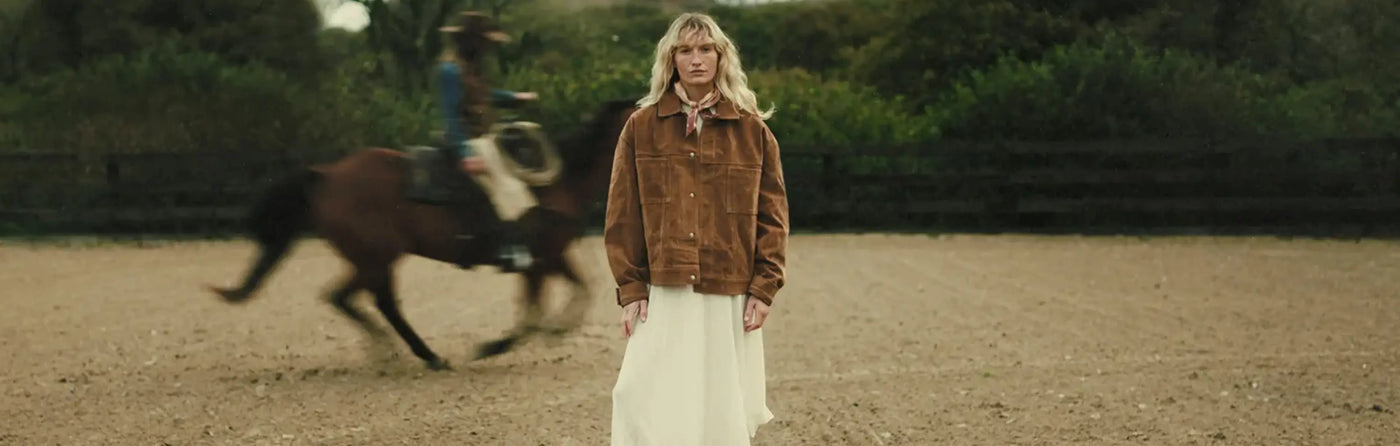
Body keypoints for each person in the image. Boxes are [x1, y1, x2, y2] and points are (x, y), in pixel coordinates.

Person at [604, 11, 789, 446]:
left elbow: (773, 215)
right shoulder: (641, 127)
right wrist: (630, 289)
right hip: (664, 288)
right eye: (685, 50)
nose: (696, 59)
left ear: (721, 57)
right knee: (636, 394)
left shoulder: (752, 130)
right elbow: (622, 213)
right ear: (671, 60)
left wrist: (765, 287)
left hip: (728, 289)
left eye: (706, 49)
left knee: (717, 402)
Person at [436, 11, 536, 272]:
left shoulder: (472, 67)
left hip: (485, 134)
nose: (486, 49)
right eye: (483, 43)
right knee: (503, 183)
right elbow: (452, 115)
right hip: (469, 140)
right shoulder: (449, 69)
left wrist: (515, 97)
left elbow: (485, 95)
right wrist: (465, 152)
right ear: (469, 41)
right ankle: (507, 246)